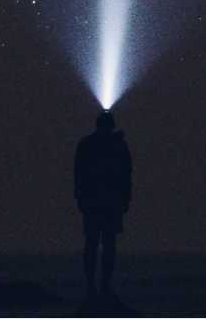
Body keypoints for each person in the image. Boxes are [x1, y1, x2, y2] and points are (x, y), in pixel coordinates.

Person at [74, 109, 132, 300]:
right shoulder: (118, 146)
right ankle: (103, 286)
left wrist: (80, 198)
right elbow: (126, 174)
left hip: (93, 200)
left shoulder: (86, 144)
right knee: (108, 245)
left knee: (92, 243)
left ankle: (92, 286)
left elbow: (78, 173)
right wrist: (125, 200)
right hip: (111, 201)